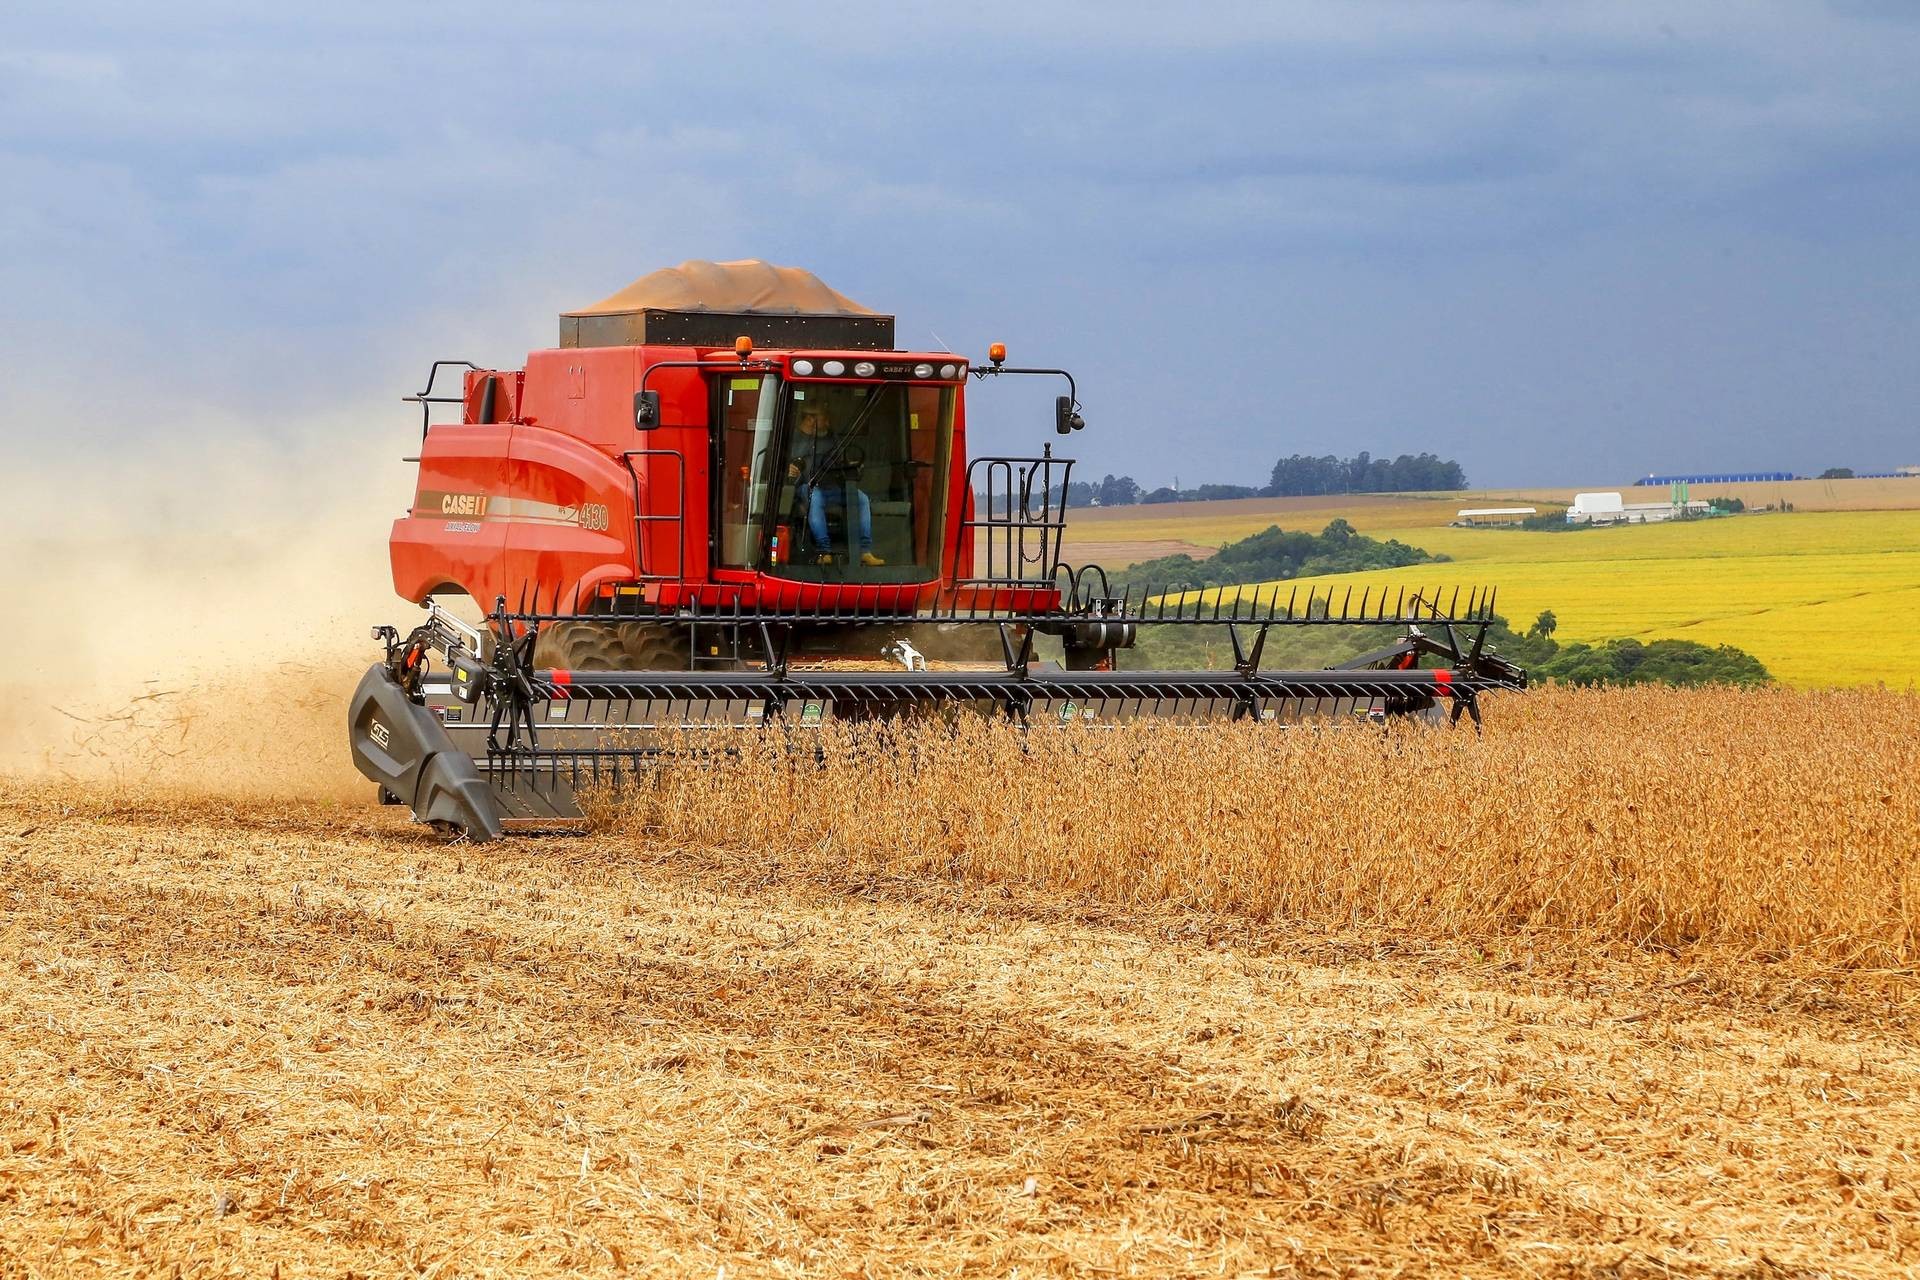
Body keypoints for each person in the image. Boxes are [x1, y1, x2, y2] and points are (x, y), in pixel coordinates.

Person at [787, 405, 883, 566]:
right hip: (807, 487)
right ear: (809, 419)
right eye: (821, 418)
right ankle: (824, 551)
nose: (826, 422)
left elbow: (841, 458)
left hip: (832, 486)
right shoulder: (795, 439)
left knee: (862, 499)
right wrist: (788, 470)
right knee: (814, 496)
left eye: (823, 418)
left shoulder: (833, 438)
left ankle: (864, 551)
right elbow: (780, 464)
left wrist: (849, 464)